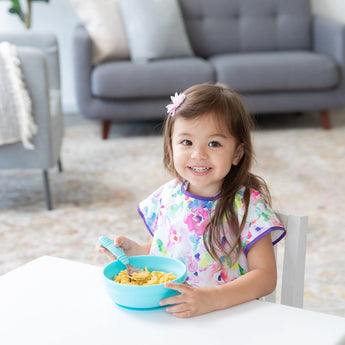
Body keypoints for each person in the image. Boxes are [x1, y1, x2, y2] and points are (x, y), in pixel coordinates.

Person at [97, 83, 286, 318]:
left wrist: (212, 299)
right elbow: (165, 252)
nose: (198, 154)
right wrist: (135, 252)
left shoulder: (247, 205)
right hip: (171, 314)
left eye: (214, 143)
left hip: (228, 317)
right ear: (171, 146)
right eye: (186, 142)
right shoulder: (167, 196)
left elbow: (266, 276)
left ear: (237, 153)